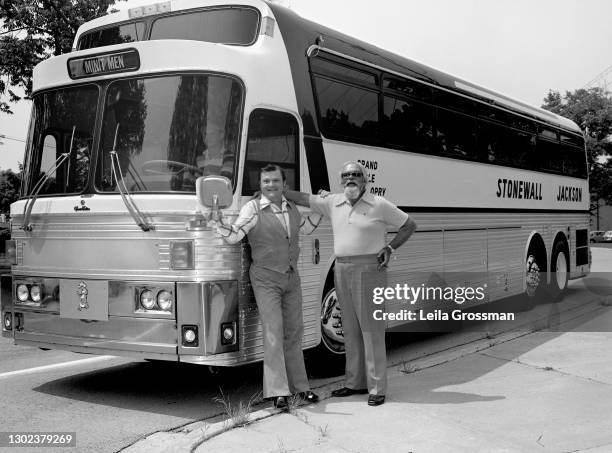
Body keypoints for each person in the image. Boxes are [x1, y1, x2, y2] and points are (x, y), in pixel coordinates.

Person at [285, 161, 417, 406]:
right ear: (340, 181)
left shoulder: (379, 204)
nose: (351, 179)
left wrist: (390, 247)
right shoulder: (333, 202)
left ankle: (377, 387)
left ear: (365, 180)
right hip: (342, 268)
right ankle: (354, 383)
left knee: (371, 329)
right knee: (350, 329)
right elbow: (305, 198)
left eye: (356, 175)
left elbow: (409, 225)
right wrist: (278, 192)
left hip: (370, 269)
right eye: (346, 176)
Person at [212, 164, 320, 409]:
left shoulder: (291, 208)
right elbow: (234, 236)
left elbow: (306, 229)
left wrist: (320, 208)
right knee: (273, 332)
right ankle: (277, 391)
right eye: (265, 182)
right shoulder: (252, 208)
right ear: (260, 186)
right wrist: (219, 222)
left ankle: (301, 388)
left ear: (284, 184)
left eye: (275, 181)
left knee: (294, 333)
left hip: (291, 278)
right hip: (265, 278)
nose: (270, 185)